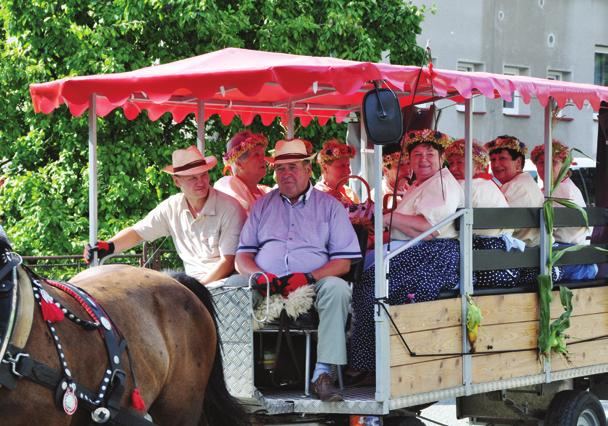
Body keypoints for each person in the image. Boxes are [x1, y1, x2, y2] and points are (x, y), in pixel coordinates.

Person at [228, 138, 361, 401]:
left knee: (337, 288)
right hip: (266, 284)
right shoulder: (263, 205)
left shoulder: (330, 206)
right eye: (280, 169)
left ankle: (323, 375)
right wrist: (259, 276)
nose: (285, 174)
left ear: (308, 170)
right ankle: (233, 374)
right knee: (230, 289)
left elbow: (343, 263)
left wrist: (309, 277)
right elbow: (242, 255)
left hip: (313, 283)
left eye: (292, 167)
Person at [351, 129, 462, 373]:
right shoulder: (421, 184)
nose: (423, 159)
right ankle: (363, 360)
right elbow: (403, 226)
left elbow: (429, 229)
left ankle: (369, 366)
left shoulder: (442, 183)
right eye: (417, 154)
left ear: (441, 157)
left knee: (371, 285)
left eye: (430, 153)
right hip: (414, 249)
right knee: (356, 270)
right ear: (409, 160)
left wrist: (386, 218)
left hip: (433, 254)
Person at [84, 145, 246, 285]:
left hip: (224, 287)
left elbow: (228, 261)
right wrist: (108, 246)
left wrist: (199, 288)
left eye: (204, 175)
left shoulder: (229, 208)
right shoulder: (172, 206)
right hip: (190, 286)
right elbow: (138, 232)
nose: (201, 182)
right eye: (193, 178)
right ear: (177, 182)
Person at [446, 139, 520, 288]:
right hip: (506, 263)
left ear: (478, 165)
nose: (453, 168)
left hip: (482, 264)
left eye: (460, 162)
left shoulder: (463, 186)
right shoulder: (488, 185)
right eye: (451, 163)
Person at [485, 135, 554, 285]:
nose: (496, 164)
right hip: (533, 255)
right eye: (493, 160)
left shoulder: (516, 187)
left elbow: (494, 227)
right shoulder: (524, 182)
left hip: (529, 259)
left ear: (518, 163)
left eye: (502, 158)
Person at [531, 140, 598, 281]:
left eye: (553, 163)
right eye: (542, 163)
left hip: (564, 256)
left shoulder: (562, 190)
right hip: (567, 255)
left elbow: (543, 230)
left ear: (565, 168)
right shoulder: (551, 189)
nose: (547, 167)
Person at [214, 130, 271, 213]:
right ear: (239, 163)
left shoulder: (265, 191)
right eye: (256, 155)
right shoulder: (229, 188)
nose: (263, 160)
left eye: (263, 155)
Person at [314, 138, 359, 206]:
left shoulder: (349, 193)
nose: (348, 171)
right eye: (342, 166)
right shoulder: (317, 196)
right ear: (325, 168)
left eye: (348, 165)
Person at [370, 142, 411, 210]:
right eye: (400, 165)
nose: (408, 169)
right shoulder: (378, 194)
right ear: (386, 171)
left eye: (409, 163)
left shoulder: (412, 189)